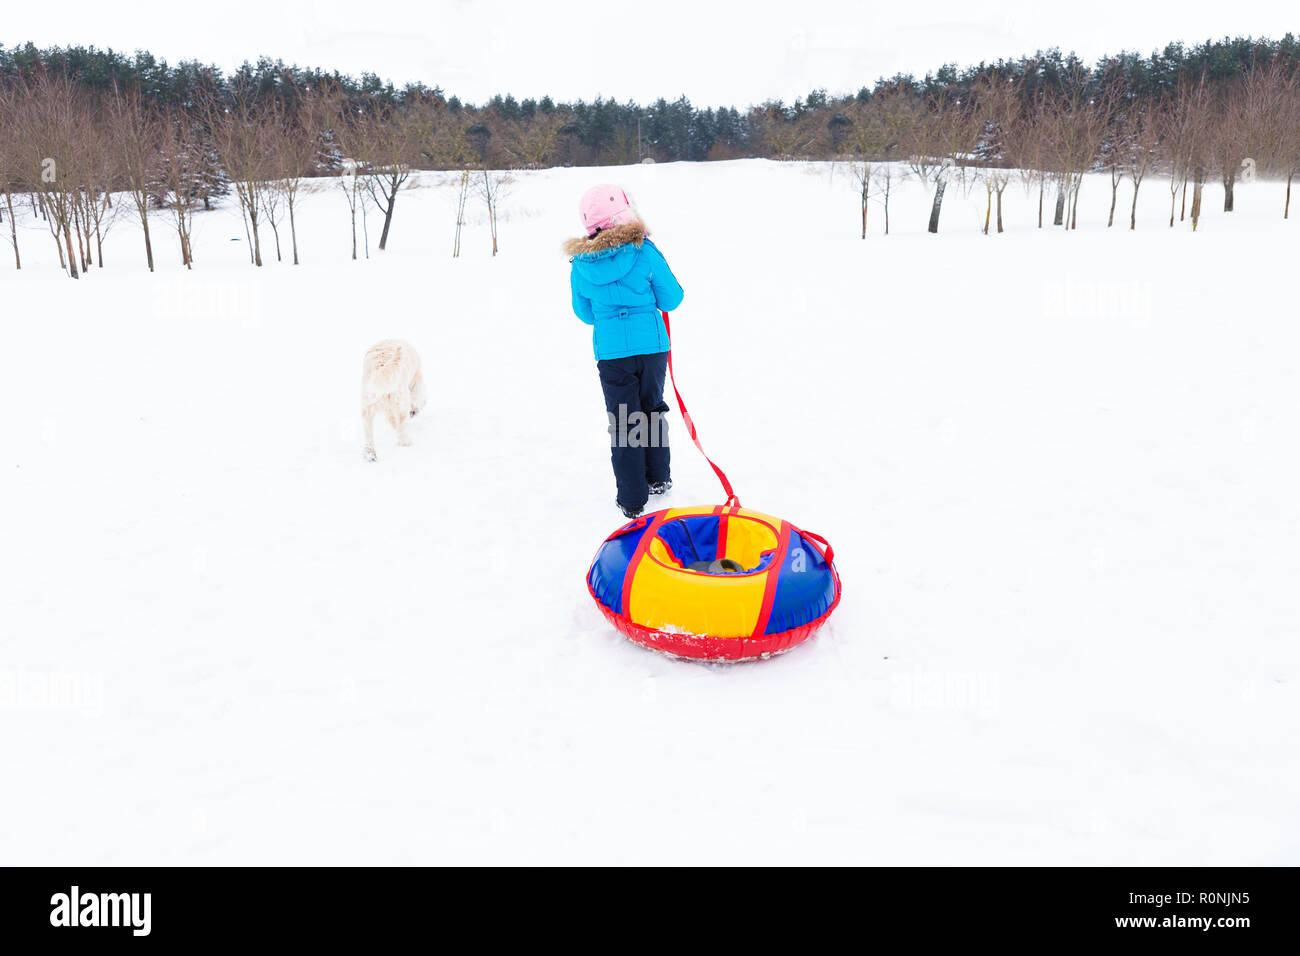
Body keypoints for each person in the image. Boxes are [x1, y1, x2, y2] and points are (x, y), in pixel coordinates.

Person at [565, 184, 684, 518]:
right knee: (652, 410)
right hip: (651, 348)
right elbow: (672, 298)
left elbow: (585, 313)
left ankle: (632, 498)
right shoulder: (643, 250)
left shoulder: (581, 264)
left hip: (612, 353)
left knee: (624, 421)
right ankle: (658, 478)